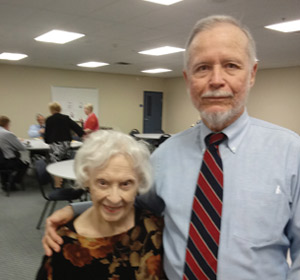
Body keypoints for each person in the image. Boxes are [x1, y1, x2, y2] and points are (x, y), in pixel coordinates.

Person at [42, 15, 300, 280]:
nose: (216, 80)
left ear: (252, 74)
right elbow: (131, 203)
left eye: (231, 65)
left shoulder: (291, 153)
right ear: (188, 79)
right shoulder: (165, 155)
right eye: (202, 68)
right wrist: (74, 210)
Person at [36, 130, 165, 280]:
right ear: (86, 179)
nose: (114, 198)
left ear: (139, 183)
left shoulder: (153, 227)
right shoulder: (63, 243)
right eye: (103, 183)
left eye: (126, 184)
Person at [44, 102, 84, 187]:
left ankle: (58, 184)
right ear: (59, 109)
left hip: (55, 145)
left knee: (54, 164)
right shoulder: (65, 118)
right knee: (64, 161)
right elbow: (77, 128)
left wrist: (47, 141)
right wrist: (82, 134)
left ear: (51, 110)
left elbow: (47, 134)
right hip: (66, 145)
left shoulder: (49, 119)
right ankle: (66, 179)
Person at [0, 116, 29, 190]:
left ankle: (5, 183)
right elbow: (22, 148)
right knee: (24, 164)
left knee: (5, 165)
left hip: (2, 161)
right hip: (8, 161)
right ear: (7, 124)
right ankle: (13, 182)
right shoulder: (7, 133)